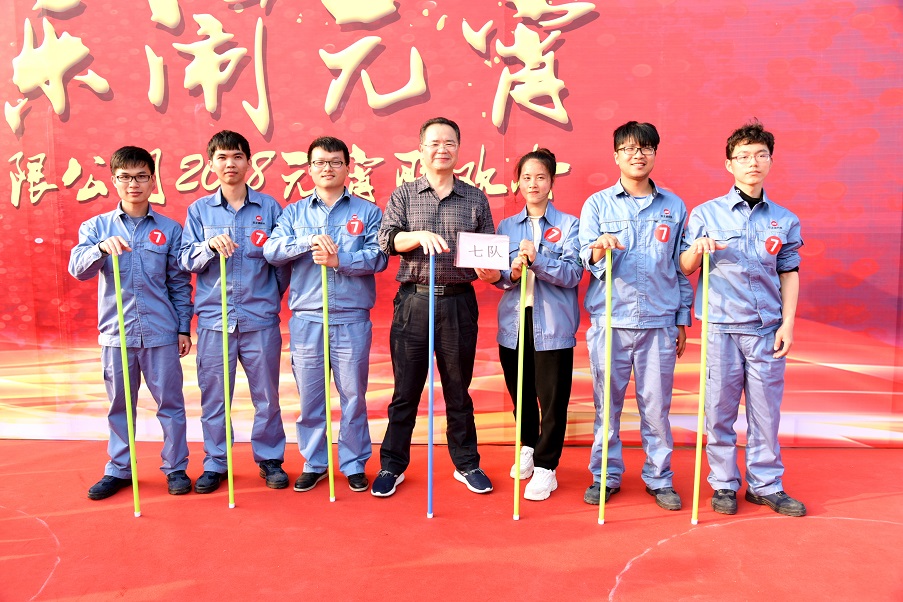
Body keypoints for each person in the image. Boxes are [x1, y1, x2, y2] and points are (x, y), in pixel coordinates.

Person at [680, 121, 805, 517]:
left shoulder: (784, 219)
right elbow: (684, 267)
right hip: (720, 327)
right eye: (744, 156)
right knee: (718, 410)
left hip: (766, 329)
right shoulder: (706, 213)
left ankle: (766, 485)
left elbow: (789, 272)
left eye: (760, 155)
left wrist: (788, 323)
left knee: (766, 412)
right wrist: (697, 249)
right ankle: (723, 483)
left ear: (770, 161)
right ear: (729, 164)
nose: (753, 162)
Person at [373, 117, 496, 497]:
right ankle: (392, 465)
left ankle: (467, 463)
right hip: (414, 301)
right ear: (421, 149)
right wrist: (417, 236)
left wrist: (490, 271)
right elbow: (386, 240)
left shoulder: (475, 198)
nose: (442, 149)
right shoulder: (405, 195)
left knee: (458, 390)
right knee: (405, 391)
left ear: (458, 149)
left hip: (458, 303)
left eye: (449, 143)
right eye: (434, 143)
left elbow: (489, 253)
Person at [578, 121, 692, 511]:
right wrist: (599, 247)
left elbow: (679, 267)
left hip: (659, 323)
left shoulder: (674, 207)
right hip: (611, 321)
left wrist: (681, 319)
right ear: (616, 156)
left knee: (656, 409)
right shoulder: (597, 204)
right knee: (606, 407)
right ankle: (604, 476)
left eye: (645, 148)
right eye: (628, 149)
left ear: (655, 154)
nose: (637, 155)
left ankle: (659, 478)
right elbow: (584, 257)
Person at [263, 136, 387, 493]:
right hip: (308, 319)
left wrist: (339, 260)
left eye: (334, 162)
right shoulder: (294, 213)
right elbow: (272, 250)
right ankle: (314, 462)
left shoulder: (367, 212)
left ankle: (353, 463)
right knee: (311, 399)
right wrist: (307, 241)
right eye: (319, 162)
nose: (327, 168)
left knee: (353, 397)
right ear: (309, 169)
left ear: (348, 167)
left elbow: (379, 257)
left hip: (351, 318)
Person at [69, 146, 193, 500]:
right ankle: (119, 469)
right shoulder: (96, 227)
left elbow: (179, 284)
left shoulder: (169, 229)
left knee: (171, 405)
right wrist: (99, 249)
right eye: (125, 177)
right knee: (120, 407)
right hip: (117, 333)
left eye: (141, 177)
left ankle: (175, 467)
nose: (133, 184)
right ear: (114, 181)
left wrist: (183, 328)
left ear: (153, 181)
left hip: (161, 333)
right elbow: (78, 270)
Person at [179, 130, 289, 494]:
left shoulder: (270, 209)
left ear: (249, 162)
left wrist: (267, 298)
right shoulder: (199, 211)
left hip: (260, 321)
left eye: (237, 156)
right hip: (215, 321)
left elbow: (281, 265)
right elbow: (185, 259)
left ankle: (270, 459)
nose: (230, 164)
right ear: (211, 163)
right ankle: (216, 462)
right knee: (214, 398)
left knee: (267, 396)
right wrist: (209, 247)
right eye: (223, 157)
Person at [475, 148, 582, 501]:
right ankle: (528, 447)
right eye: (526, 178)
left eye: (540, 177)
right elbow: (503, 278)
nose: (533, 184)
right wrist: (500, 275)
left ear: (551, 182)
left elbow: (573, 274)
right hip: (515, 322)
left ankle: (547, 467)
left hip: (553, 324)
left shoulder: (570, 225)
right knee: (520, 393)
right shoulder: (506, 227)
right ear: (517, 183)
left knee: (552, 400)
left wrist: (538, 260)